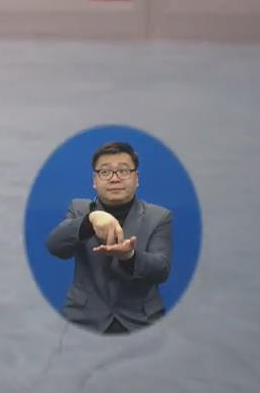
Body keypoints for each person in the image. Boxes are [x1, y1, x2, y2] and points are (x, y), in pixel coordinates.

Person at [45, 142, 174, 335]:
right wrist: (90, 220)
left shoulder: (159, 216)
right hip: (83, 319)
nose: (114, 179)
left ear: (136, 178)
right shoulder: (79, 208)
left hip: (141, 321)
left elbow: (161, 269)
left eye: (123, 171)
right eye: (105, 172)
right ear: (95, 180)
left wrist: (130, 256)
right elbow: (55, 246)